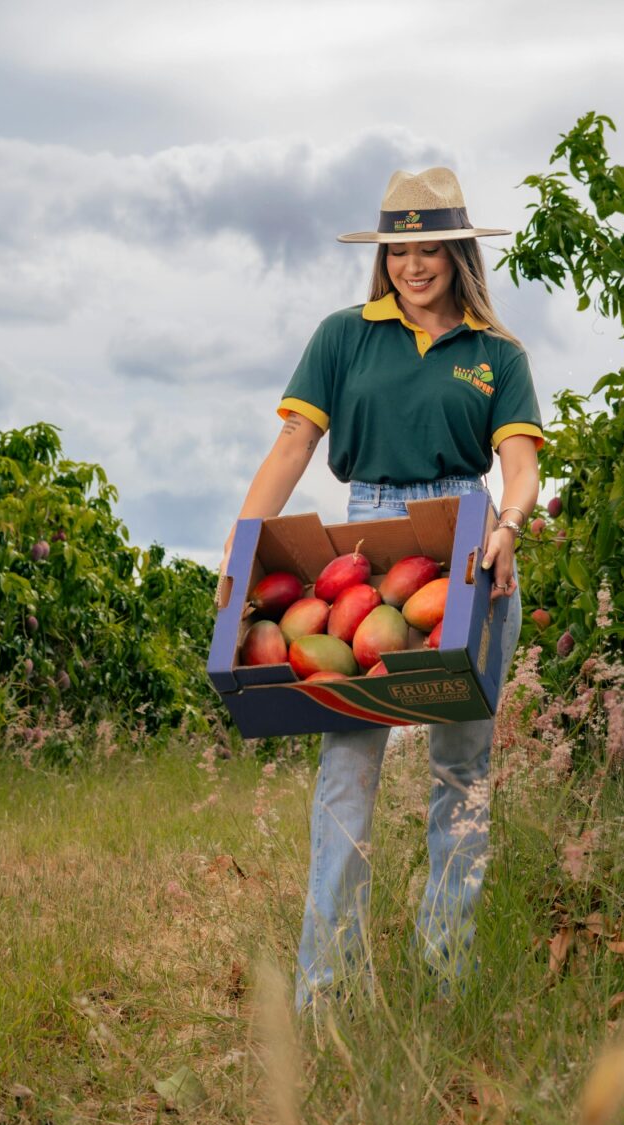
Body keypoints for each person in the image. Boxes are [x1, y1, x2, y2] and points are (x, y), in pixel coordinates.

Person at [219, 167, 543, 1011]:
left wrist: (506, 526)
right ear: (384, 254)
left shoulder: (495, 353)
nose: (415, 263)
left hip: (464, 542)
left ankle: (448, 978)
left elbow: (520, 464)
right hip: (367, 538)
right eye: (401, 247)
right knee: (347, 769)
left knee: (463, 768)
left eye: (431, 245)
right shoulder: (343, 336)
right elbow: (294, 443)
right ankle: (323, 991)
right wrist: (242, 541)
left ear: (458, 251)